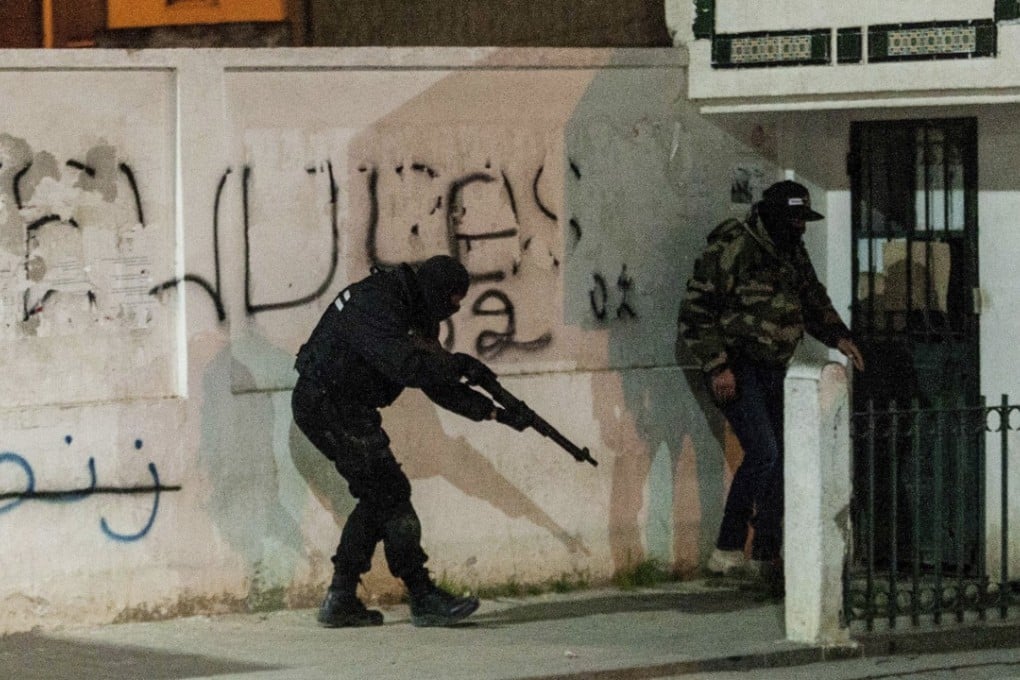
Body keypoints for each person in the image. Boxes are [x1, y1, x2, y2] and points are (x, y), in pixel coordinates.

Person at [291, 255, 530, 627]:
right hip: (326, 403)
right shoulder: (379, 301)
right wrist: (461, 365)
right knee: (391, 495)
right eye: (449, 302)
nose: (449, 314)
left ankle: (341, 598)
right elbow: (405, 366)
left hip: (346, 406)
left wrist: (493, 412)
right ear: (434, 292)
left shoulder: (416, 309)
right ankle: (421, 594)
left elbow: (434, 382)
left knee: (379, 495)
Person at [677, 180, 864, 583]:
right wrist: (716, 366)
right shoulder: (732, 248)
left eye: (804, 220)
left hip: (776, 368)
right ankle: (728, 547)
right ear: (775, 216)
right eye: (794, 219)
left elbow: (813, 299)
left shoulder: (793, 252)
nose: (801, 227)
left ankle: (766, 551)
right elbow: (695, 313)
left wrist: (840, 337)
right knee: (764, 453)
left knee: (782, 458)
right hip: (738, 367)